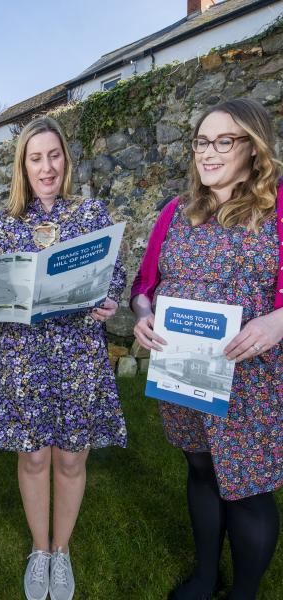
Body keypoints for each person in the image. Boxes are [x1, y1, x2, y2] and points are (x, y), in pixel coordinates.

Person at [131, 98, 283, 600]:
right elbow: (144, 284)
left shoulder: (277, 205)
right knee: (200, 468)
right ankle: (204, 576)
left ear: (253, 147)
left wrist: (278, 320)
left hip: (251, 374)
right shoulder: (176, 211)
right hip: (185, 372)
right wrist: (143, 316)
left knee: (248, 488)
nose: (209, 152)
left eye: (224, 140)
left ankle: (243, 594)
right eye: (202, 141)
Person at [0, 116, 127, 600]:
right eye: (35, 158)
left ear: (65, 159)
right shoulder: (7, 225)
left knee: (70, 458)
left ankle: (61, 551)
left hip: (78, 355)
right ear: (22, 166)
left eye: (54, 155)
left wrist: (109, 298)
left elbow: (116, 276)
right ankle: (39, 549)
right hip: (26, 356)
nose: (46, 167)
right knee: (32, 456)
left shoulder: (90, 214)